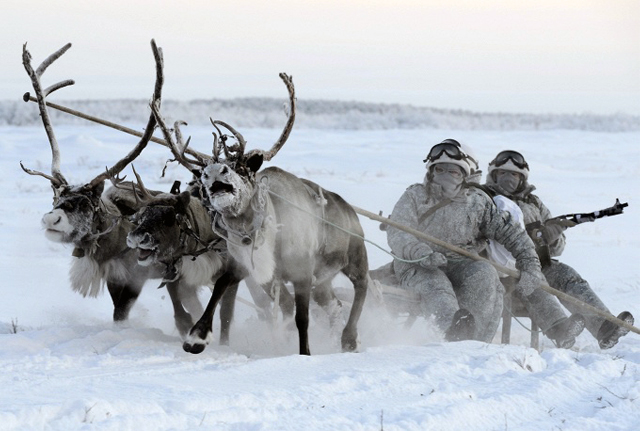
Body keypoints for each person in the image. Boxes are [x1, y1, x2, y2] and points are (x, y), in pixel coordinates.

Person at [375, 139, 585, 345]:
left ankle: (476, 342)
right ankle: (452, 331)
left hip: (462, 262)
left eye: (454, 171)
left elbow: (513, 235)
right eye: (441, 170)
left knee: (484, 272)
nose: (446, 175)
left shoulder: (478, 202)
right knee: (435, 283)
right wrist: (421, 253)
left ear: (465, 175)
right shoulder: (414, 196)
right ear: (431, 172)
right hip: (418, 264)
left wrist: (529, 264)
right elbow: (398, 232)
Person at [484, 150, 634, 349]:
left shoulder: (534, 203)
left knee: (567, 275)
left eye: (514, 174)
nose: (508, 178)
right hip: (504, 271)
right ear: (494, 175)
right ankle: (560, 330)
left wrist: (551, 239)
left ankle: (604, 327)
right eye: (503, 173)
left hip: (540, 262)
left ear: (522, 178)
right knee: (534, 281)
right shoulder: (485, 200)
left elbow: (558, 247)